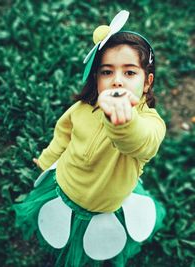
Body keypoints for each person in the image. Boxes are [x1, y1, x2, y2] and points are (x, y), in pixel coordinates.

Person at [14, 10, 166, 267]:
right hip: (65, 185)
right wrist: (47, 159)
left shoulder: (149, 123)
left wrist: (124, 123)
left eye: (130, 73)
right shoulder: (82, 109)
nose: (117, 81)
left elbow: (142, 141)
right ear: (96, 78)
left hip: (104, 202)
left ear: (147, 82)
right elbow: (63, 136)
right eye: (107, 72)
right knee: (57, 227)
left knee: (94, 245)